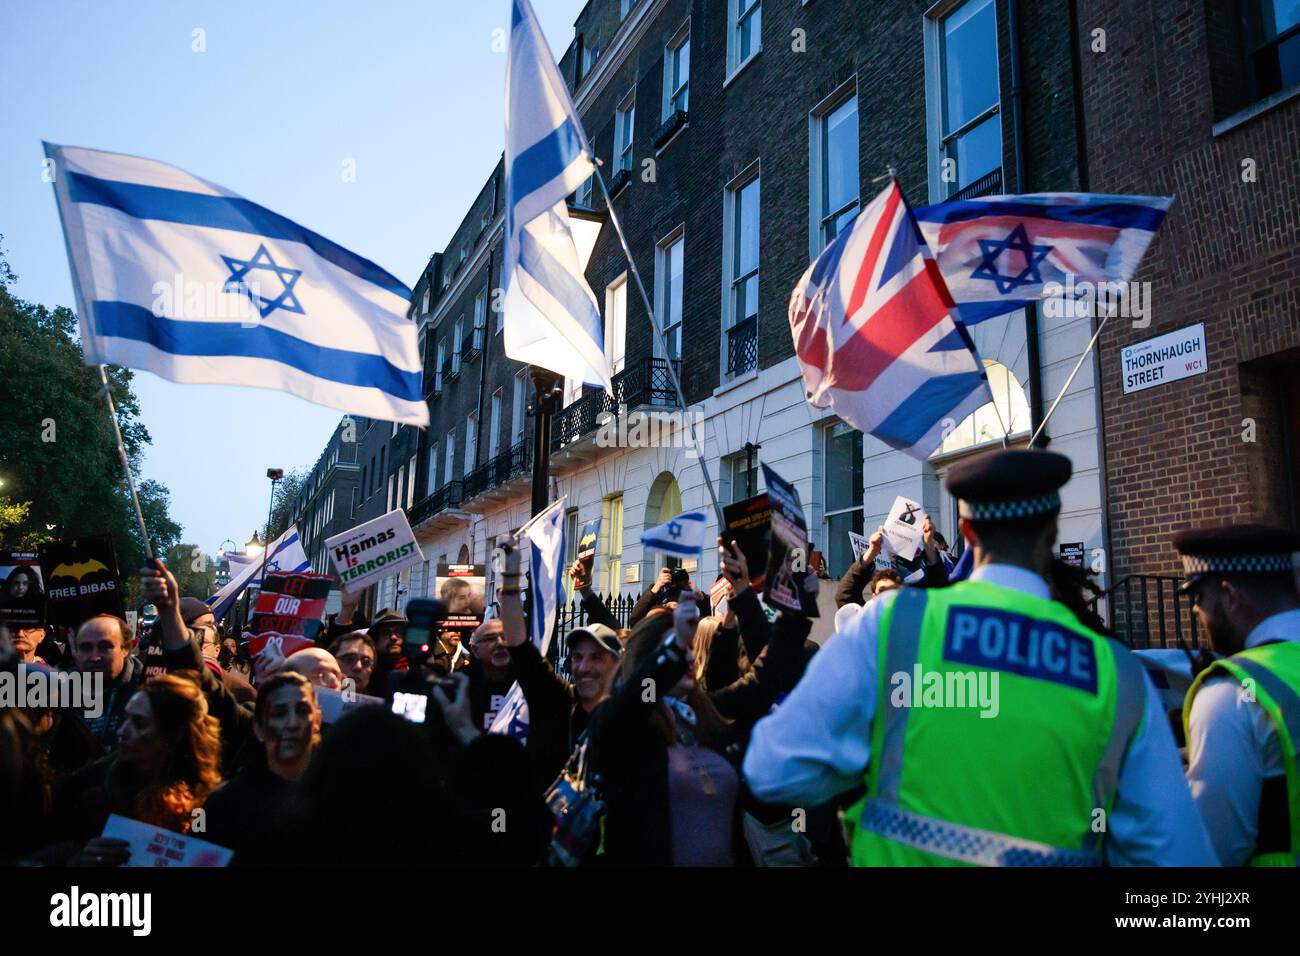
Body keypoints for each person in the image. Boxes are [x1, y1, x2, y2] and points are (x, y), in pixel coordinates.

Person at [744, 448, 1218, 866]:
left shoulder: (893, 627)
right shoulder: (1116, 673)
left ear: (967, 531)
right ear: (1051, 529)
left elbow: (771, 769)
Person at [1175, 524, 1300, 866]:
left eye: (1199, 597)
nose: (1195, 611)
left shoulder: (1230, 694)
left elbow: (1211, 850)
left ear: (1230, 596)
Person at [58, 673, 223, 866]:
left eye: (140, 723)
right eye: (126, 719)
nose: (122, 731)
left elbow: (201, 841)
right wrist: (79, 860)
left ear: (175, 734)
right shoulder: (94, 787)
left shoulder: (203, 802)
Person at [202, 671, 321, 865]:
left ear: (317, 720)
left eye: (302, 710)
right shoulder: (225, 803)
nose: (292, 724)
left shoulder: (336, 797)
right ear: (258, 728)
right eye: (279, 713)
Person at [328, 630, 378, 696]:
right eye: (349, 659)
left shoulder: (378, 705)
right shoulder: (313, 701)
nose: (358, 667)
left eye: (366, 662)